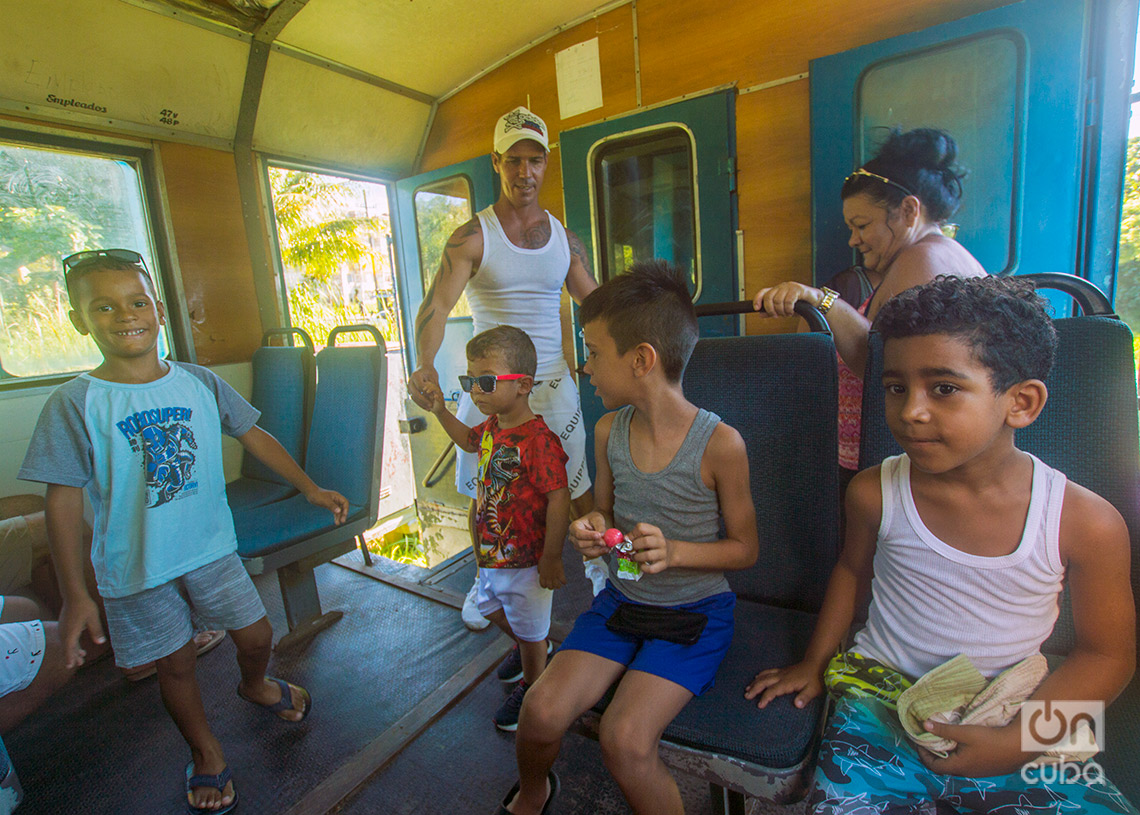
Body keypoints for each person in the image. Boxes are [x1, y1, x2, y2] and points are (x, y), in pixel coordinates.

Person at [745, 276, 1137, 813]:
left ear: (1020, 403)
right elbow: (853, 573)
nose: (910, 411)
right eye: (895, 387)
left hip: (1012, 702)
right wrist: (816, 662)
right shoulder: (873, 492)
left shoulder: (1084, 521)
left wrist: (1016, 743)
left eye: (944, 388)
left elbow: (1106, 654)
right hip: (877, 689)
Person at [17, 250, 351, 815]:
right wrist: (77, 593)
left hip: (211, 550)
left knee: (255, 636)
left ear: (159, 311)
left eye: (137, 301)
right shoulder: (76, 403)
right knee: (173, 664)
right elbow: (63, 498)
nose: (125, 315)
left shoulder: (199, 382)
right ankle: (205, 750)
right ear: (80, 321)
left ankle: (255, 684)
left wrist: (309, 487)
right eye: (104, 306)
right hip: (135, 567)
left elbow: (255, 435)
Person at [499, 261, 759, 815]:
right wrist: (592, 527)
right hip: (623, 601)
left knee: (624, 738)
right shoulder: (607, 431)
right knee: (540, 710)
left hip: (696, 613)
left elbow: (745, 549)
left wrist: (676, 552)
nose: (584, 366)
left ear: (641, 359)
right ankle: (536, 789)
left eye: (593, 352)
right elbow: (606, 514)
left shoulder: (720, 445)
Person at [406, 106, 604, 632]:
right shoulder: (472, 237)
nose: (525, 173)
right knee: (487, 495)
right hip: (492, 388)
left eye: (535, 160)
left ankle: (605, 569)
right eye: (514, 160)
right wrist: (424, 364)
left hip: (553, 383)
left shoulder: (564, 238)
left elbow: (599, 305)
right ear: (496, 162)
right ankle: (486, 578)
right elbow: (436, 308)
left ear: (546, 164)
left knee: (576, 486)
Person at [753, 128, 986, 491]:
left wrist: (820, 300)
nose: (853, 239)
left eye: (861, 225)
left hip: (896, 461)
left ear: (909, 211)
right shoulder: (935, 255)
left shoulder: (923, 260)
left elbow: (880, 362)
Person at [421, 325, 570, 731]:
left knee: (528, 622)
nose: (476, 391)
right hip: (492, 554)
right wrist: (439, 411)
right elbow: (468, 441)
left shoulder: (538, 441)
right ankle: (531, 646)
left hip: (526, 559)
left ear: (522, 385)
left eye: (486, 382)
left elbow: (560, 498)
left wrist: (551, 558)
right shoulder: (493, 428)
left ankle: (535, 685)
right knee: (489, 607)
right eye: (470, 381)